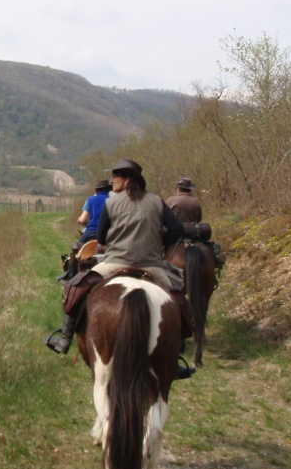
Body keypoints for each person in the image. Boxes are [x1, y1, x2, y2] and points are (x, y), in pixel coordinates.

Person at [45, 159, 195, 378]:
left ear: (126, 178)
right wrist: (159, 240)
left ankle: (64, 338)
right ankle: (174, 355)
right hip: (152, 266)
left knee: (74, 287)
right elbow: (177, 229)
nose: (112, 179)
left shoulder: (111, 204)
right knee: (178, 295)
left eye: (115, 175)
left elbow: (102, 236)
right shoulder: (156, 201)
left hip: (114, 263)